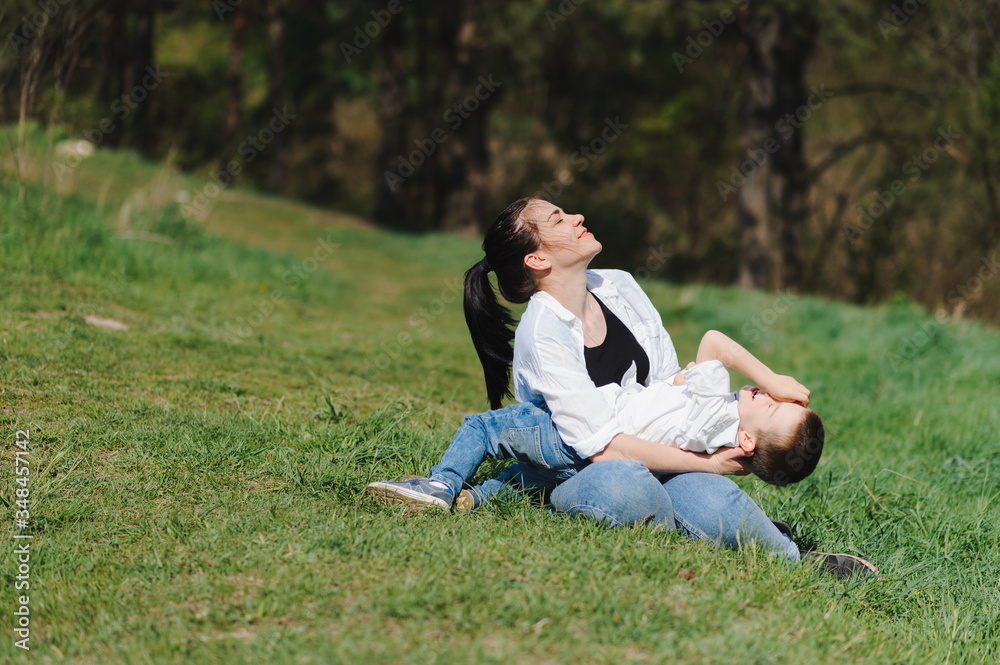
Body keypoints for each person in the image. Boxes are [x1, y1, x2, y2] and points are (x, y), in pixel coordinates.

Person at [367, 196, 876, 578]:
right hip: (585, 466)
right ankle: (665, 526)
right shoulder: (543, 332)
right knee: (632, 489)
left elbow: (669, 388)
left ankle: (792, 558)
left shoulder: (620, 286)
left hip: (658, 453)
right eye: (558, 221)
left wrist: (722, 432)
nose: (576, 217)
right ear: (538, 260)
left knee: (717, 499)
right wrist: (703, 464)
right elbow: (602, 447)